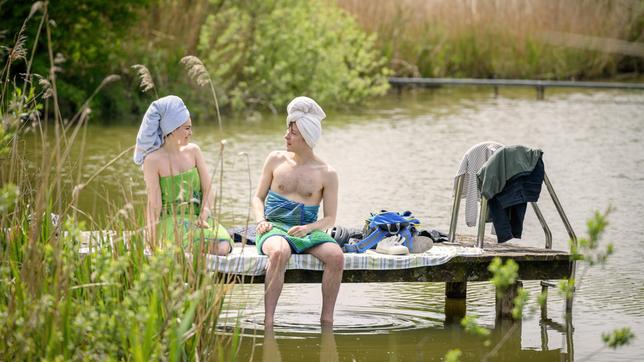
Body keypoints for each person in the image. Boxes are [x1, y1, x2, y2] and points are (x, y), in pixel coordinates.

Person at [252, 96, 344, 327]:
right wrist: (260, 221)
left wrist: (308, 229)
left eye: (292, 132)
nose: (286, 136)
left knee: (336, 256)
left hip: (305, 230)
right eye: (288, 130)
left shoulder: (327, 173)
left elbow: (330, 218)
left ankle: (327, 319)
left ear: (307, 136)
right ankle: (269, 320)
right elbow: (257, 197)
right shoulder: (275, 159)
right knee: (279, 253)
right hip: (272, 227)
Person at [134, 95, 232, 255]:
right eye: (187, 128)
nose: (191, 132)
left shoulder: (194, 151)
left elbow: (207, 189)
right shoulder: (152, 160)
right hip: (170, 221)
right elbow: (154, 205)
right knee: (192, 247)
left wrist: (204, 213)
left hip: (198, 217)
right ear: (171, 129)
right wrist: (150, 238)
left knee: (223, 247)